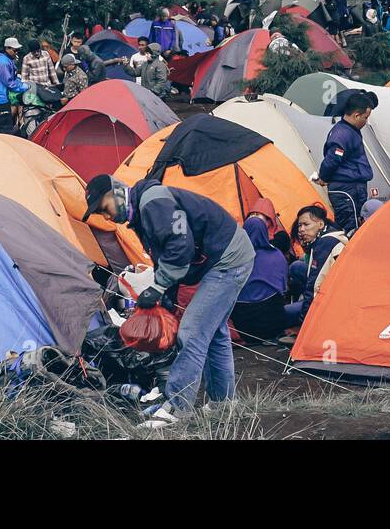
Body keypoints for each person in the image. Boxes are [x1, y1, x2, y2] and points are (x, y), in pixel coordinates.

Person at [84, 173, 254, 427]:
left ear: (116, 193)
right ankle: (223, 403)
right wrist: (164, 296)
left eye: (104, 208)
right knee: (214, 331)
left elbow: (179, 247)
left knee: (193, 332)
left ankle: (177, 408)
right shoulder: (141, 213)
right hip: (226, 256)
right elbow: (165, 256)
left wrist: (158, 287)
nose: (107, 217)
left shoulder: (153, 203)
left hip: (229, 259)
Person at [231, 200, 290, 344]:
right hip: (273, 326)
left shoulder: (232, 258)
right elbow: (283, 290)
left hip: (243, 328)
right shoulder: (277, 256)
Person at [315, 91, 375, 234]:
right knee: (350, 228)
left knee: (357, 224)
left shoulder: (350, 130)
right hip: (346, 190)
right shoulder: (343, 133)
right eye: (365, 118)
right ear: (356, 115)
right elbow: (333, 159)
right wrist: (324, 177)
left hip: (352, 187)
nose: (366, 122)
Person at [282, 204, 347, 331]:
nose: (301, 229)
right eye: (300, 225)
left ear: (321, 225)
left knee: (282, 313)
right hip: (337, 298)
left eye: (306, 224)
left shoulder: (325, 244)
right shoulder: (332, 238)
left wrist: (304, 327)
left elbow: (314, 287)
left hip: (331, 305)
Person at [0, 37, 27, 135]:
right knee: (6, 129)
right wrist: (25, 86)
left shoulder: (7, 60)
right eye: (15, 50)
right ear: (7, 49)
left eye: (18, 50)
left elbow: (12, 78)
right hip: (0, 99)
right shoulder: (3, 62)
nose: (17, 52)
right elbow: (9, 83)